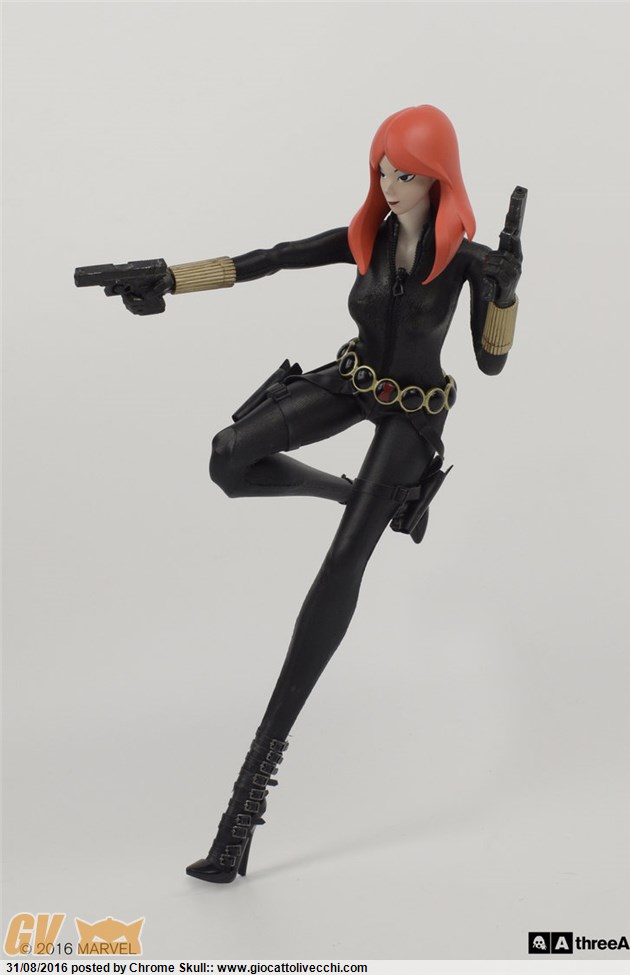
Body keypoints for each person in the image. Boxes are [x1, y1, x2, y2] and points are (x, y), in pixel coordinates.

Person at [77, 105, 524, 884]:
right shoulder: (368, 237)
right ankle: (362, 496)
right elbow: (274, 257)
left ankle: (243, 809)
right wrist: (170, 277)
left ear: (439, 179)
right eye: (382, 168)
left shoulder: (468, 261)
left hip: (414, 414)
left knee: (341, 565)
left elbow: (491, 363)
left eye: (406, 172)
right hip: (354, 379)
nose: (389, 184)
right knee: (229, 457)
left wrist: (507, 295)